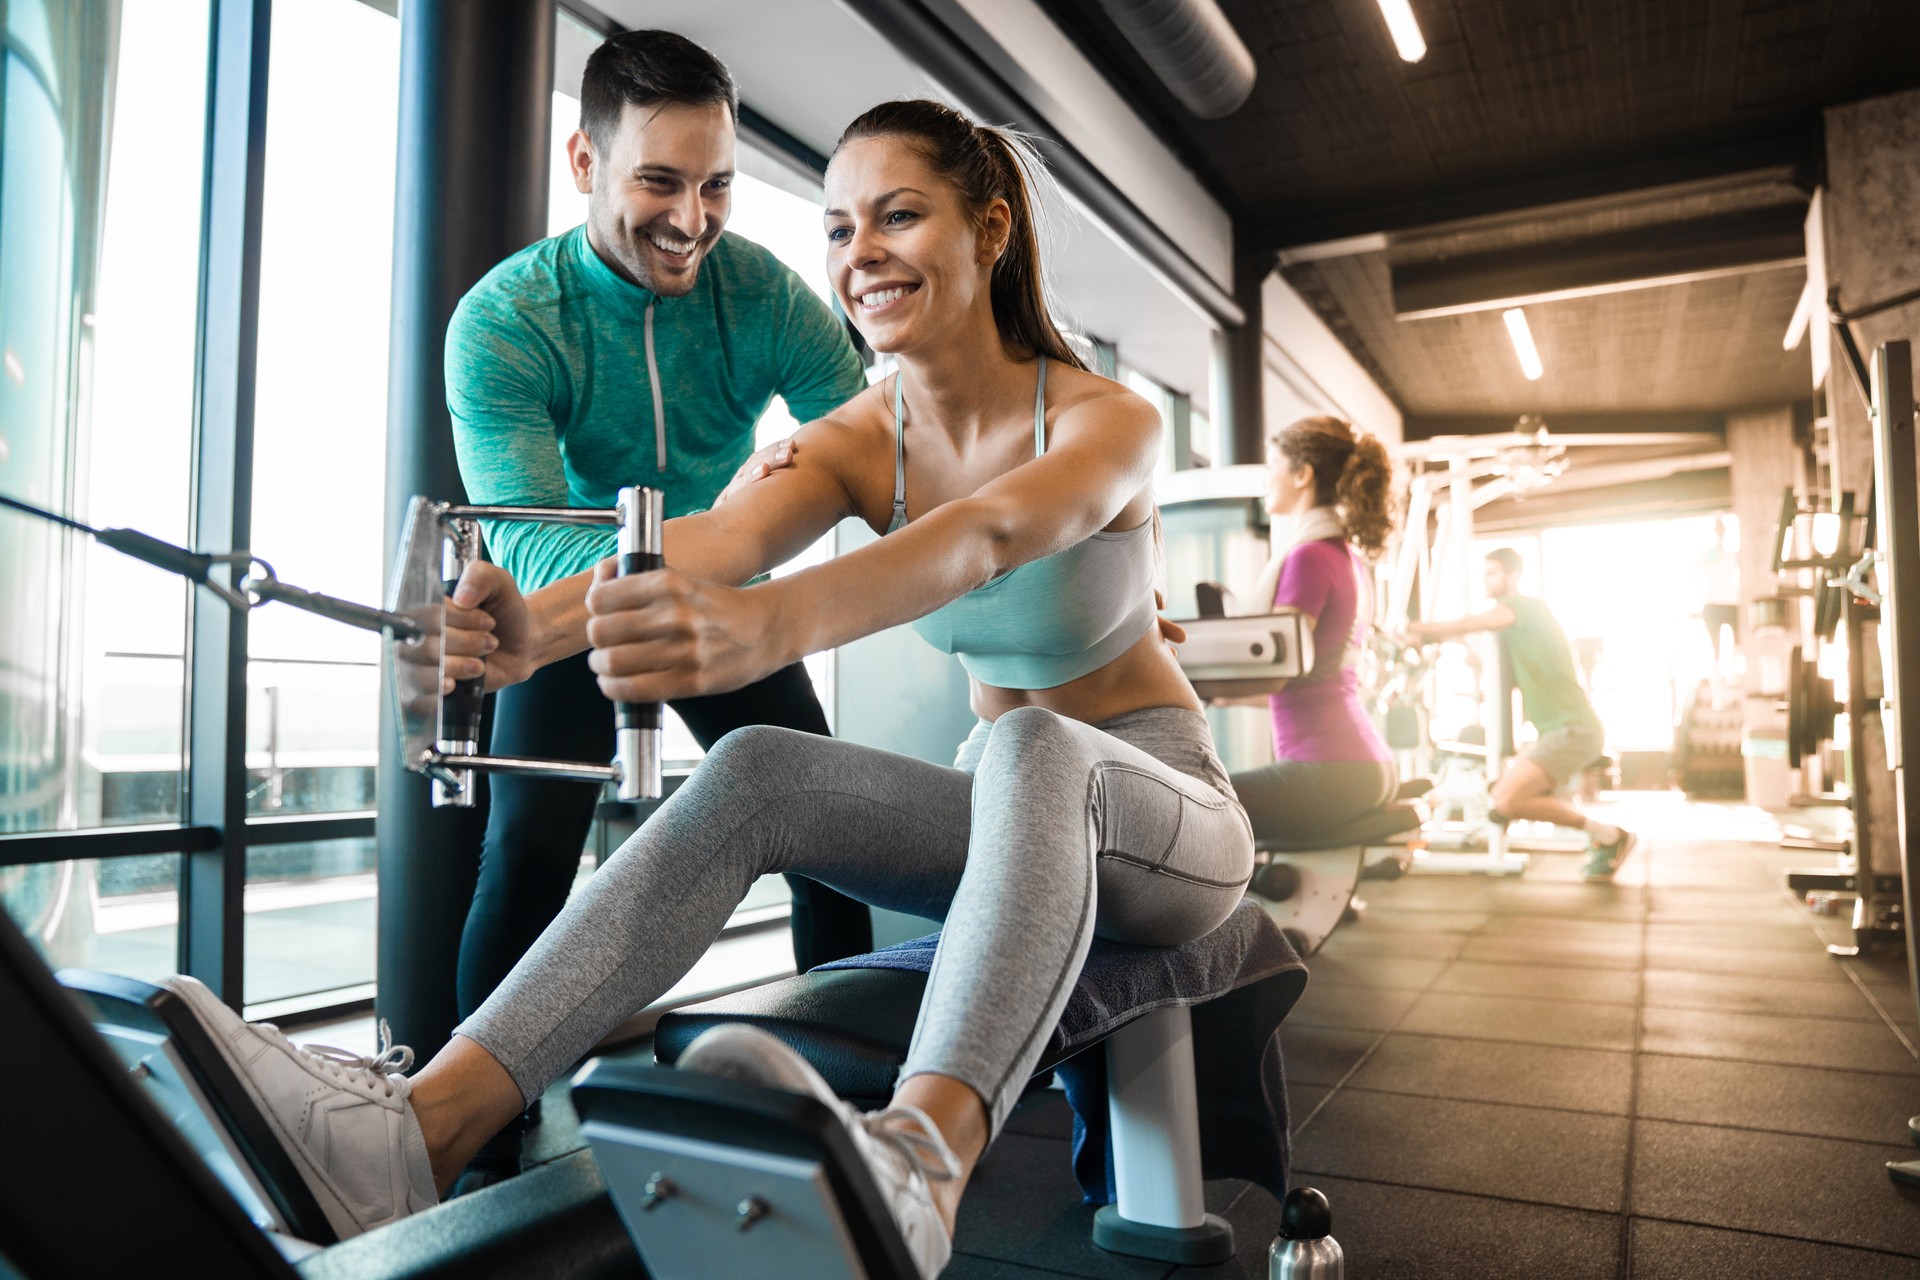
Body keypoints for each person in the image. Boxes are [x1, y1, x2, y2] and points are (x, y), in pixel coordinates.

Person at [164, 99, 1254, 1277]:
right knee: (753, 769)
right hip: (1002, 808)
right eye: (838, 228)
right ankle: (417, 1129)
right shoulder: (850, 439)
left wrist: (766, 627)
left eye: (899, 216)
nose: (860, 254)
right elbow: (706, 543)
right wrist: (524, 634)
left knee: (1039, 740)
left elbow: (985, 535)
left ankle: (919, 1165)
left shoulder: (1108, 420)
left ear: (990, 230)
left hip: (1163, 811)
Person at [442, 30, 873, 1182]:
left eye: (718, 182)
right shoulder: (507, 321)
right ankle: (478, 1137)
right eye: (660, 181)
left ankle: (846, 1101)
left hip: (723, 606)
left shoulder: (760, 294)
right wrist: (728, 528)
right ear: (585, 161)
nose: (693, 217)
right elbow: (532, 542)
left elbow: (877, 437)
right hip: (574, 613)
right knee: (530, 849)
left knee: (827, 840)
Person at [1407, 547, 1635, 881]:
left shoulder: (1523, 608)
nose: (1486, 580)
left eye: (1493, 573)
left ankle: (1610, 835)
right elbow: (1468, 633)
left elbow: (1471, 622)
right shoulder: (1513, 623)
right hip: (1557, 731)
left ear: (1513, 575)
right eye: (1485, 573)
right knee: (1502, 796)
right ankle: (1605, 836)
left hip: (1574, 729)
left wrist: (1416, 628)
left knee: (1505, 799)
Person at [1226, 416, 1398, 841]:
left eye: (1274, 466)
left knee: (1188, 809)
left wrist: (1196, 687)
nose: (1267, 478)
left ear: (1303, 474)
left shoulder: (1309, 557)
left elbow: (1279, 671)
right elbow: (1305, 682)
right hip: (1359, 761)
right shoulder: (1344, 555)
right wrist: (1220, 695)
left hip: (1331, 766)